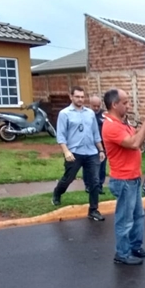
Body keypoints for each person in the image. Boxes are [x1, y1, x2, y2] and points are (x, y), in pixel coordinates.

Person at [102, 88, 145, 265]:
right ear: (114, 104)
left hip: (132, 178)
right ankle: (122, 254)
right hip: (123, 180)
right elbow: (134, 143)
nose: (128, 105)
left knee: (138, 216)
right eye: (125, 103)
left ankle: (135, 247)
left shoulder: (122, 123)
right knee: (125, 220)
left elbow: (136, 136)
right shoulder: (111, 126)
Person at [52, 86, 106, 222]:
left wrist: (100, 150)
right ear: (71, 97)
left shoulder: (90, 113)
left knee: (94, 182)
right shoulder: (64, 114)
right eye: (77, 96)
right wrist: (66, 152)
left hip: (91, 152)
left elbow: (95, 133)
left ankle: (93, 210)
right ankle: (57, 193)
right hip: (74, 153)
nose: (80, 99)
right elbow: (61, 136)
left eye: (82, 97)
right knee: (68, 178)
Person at [84, 95, 107, 195]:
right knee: (89, 166)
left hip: (103, 145)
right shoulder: (86, 114)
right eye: (94, 106)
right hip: (90, 145)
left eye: (98, 106)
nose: (96, 108)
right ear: (90, 105)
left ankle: (99, 186)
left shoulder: (104, 114)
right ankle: (88, 185)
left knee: (102, 166)